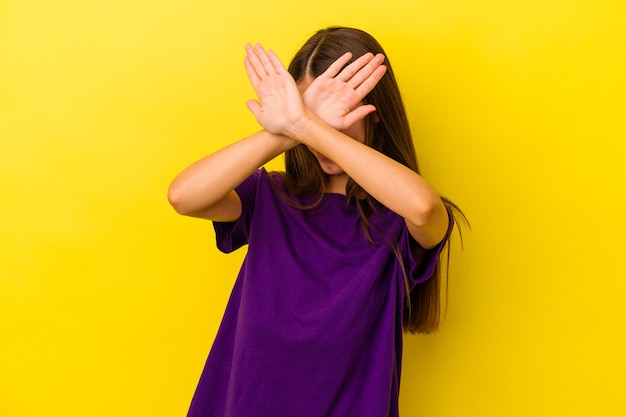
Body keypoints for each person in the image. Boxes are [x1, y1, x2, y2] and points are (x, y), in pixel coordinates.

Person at [168, 26, 466, 417]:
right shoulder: (269, 196)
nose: (324, 126)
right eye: (309, 112)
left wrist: (310, 126)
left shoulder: (400, 215)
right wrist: (286, 130)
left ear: (374, 115)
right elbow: (183, 196)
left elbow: (425, 208)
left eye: (339, 115)